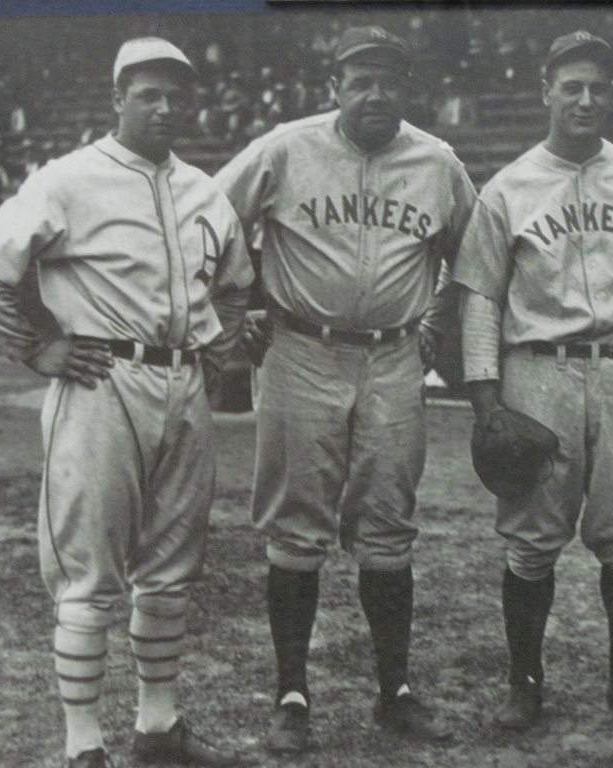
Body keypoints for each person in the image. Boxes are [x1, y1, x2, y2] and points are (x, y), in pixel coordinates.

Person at [0, 38, 254, 768]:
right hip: (99, 381)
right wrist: (38, 349)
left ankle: (157, 730)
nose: (164, 106)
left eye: (176, 95)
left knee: (173, 567)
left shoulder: (204, 189)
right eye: (148, 93)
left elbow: (235, 282)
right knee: (90, 574)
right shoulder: (69, 179)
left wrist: (222, 341)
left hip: (183, 385)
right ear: (117, 98)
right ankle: (83, 747)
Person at [214, 25, 477, 755]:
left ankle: (394, 691)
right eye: (360, 80)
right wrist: (243, 310)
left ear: (407, 91)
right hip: (300, 350)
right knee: (297, 527)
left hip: (394, 357)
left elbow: (475, 255)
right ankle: (292, 695)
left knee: (390, 522)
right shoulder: (284, 148)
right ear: (334, 86)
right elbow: (206, 221)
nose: (375, 94)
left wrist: (441, 313)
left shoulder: (436, 161)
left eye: (389, 81)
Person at [453, 30, 613, 732]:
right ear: (545, 90)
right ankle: (525, 685)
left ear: (612, 95)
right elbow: (481, 297)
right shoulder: (509, 186)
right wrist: (487, 398)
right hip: (537, 371)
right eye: (572, 85)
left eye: (599, 87)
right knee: (531, 538)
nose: (586, 99)